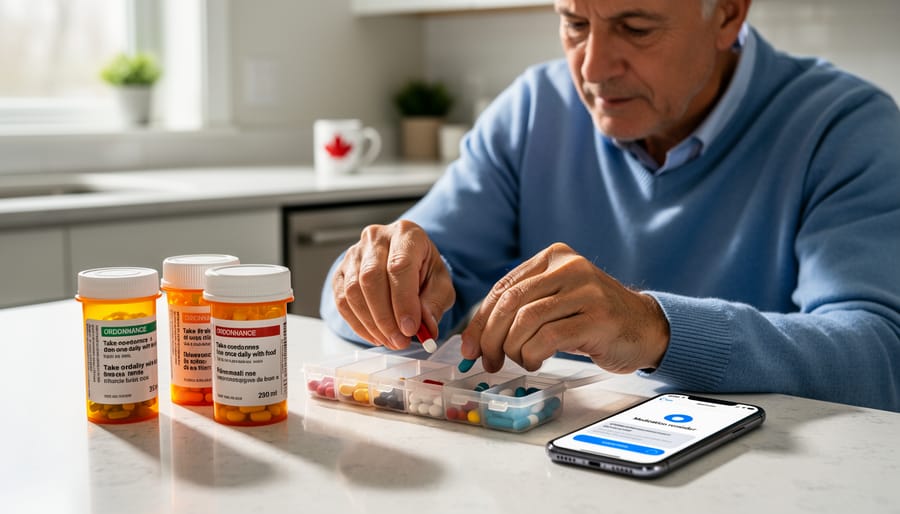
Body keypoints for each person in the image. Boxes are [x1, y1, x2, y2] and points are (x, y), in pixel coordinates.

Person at [320, 0, 900, 412]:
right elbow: (373, 289)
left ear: (727, 13)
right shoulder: (532, 109)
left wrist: (656, 330)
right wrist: (377, 283)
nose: (593, 68)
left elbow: (878, 355)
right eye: (574, 23)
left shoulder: (844, 127)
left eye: (636, 27)